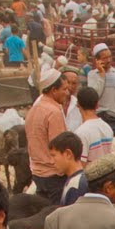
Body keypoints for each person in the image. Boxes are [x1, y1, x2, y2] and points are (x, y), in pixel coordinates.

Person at [26, 68, 71, 204]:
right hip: (54, 176)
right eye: (64, 89)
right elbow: (59, 146)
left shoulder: (34, 109)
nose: (67, 93)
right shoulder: (54, 112)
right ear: (53, 90)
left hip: (38, 173)